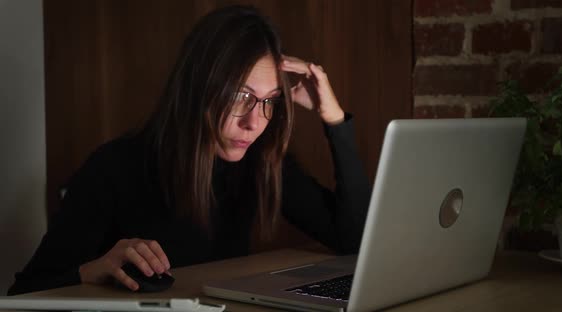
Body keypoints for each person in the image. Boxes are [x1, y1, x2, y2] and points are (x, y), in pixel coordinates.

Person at [8, 5, 370, 295]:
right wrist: (91, 270)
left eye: (270, 101)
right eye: (241, 97)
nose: (255, 123)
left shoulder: (260, 161)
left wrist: (335, 120)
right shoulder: (115, 167)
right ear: (200, 88)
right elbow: (23, 292)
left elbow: (352, 240)